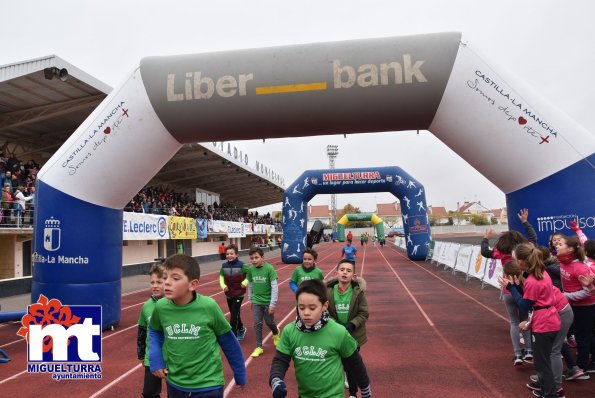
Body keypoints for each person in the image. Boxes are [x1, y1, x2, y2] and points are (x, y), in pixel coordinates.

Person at [148, 254, 246, 397]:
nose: (167, 283)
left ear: (192, 284)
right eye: (165, 277)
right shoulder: (161, 307)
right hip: (175, 383)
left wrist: (240, 373)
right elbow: (155, 331)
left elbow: (228, 342)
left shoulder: (209, 306)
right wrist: (156, 359)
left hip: (208, 384)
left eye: (175, 278)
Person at [269, 279, 372, 398]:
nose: (306, 313)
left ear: (325, 306)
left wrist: (365, 390)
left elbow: (355, 363)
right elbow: (280, 360)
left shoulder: (338, 332)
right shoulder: (289, 331)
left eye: (312, 308)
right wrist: (276, 380)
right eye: (301, 308)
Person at [501, 248, 561, 398]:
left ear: (521, 262)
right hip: (550, 318)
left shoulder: (533, 281)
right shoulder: (541, 273)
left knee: (542, 363)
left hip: (544, 322)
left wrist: (511, 288)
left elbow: (524, 304)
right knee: (544, 360)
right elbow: (530, 296)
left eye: (516, 260)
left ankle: (551, 394)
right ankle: (547, 389)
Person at [481, 208, 536, 365]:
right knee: (525, 319)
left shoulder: (500, 251)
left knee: (513, 322)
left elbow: (485, 252)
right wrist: (525, 222)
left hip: (507, 289)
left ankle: (518, 354)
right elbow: (533, 237)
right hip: (523, 289)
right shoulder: (525, 250)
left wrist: (485, 238)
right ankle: (530, 351)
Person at [326, 259, 369, 398]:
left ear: (354, 276)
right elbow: (324, 312)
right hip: (334, 335)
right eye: (342, 269)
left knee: (351, 366)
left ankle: (352, 393)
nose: (345, 272)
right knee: (336, 364)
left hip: (353, 336)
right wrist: (335, 325)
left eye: (349, 270)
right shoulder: (328, 292)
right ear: (336, 273)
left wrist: (351, 324)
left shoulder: (358, 293)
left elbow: (364, 313)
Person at [554, 235, 595, 375]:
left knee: (582, 336)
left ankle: (581, 367)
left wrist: (566, 296)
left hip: (585, 307)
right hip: (573, 305)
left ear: (570, 249)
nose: (556, 245)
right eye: (556, 243)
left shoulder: (580, 268)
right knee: (586, 334)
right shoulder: (563, 262)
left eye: (560, 244)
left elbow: (589, 293)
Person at [137, 263, 166, 398]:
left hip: (172, 356)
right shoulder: (146, 306)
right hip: (152, 358)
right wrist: (141, 355)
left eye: (159, 282)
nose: (154, 285)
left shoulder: (175, 303)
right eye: (152, 282)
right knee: (149, 393)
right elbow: (142, 331)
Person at [246, 247, 280, 358]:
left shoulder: (269, 269)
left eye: (256, 257)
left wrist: (272, 304)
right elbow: (250, 285)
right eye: (252, 258)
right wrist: (250, 299)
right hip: (256, 301)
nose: (254, 260)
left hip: (268, 302)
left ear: (263, 258)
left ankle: (275, 333)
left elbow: (274, 287)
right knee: (257, 324)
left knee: (270, 322)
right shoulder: (251, 269)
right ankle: (259, 346)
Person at [219, 244, 249, 340]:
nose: (229, 255)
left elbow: (249, 274)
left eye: (231, 253)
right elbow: (221, 277)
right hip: (229, 294)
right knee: (234, 313)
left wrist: (245, 282)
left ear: (236, 254)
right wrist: (223, 286)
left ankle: (234, 337)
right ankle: (241, 328)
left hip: (239, 294)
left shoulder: (242, 265)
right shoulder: (224, 266)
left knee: (233, 318)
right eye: (227, 254)